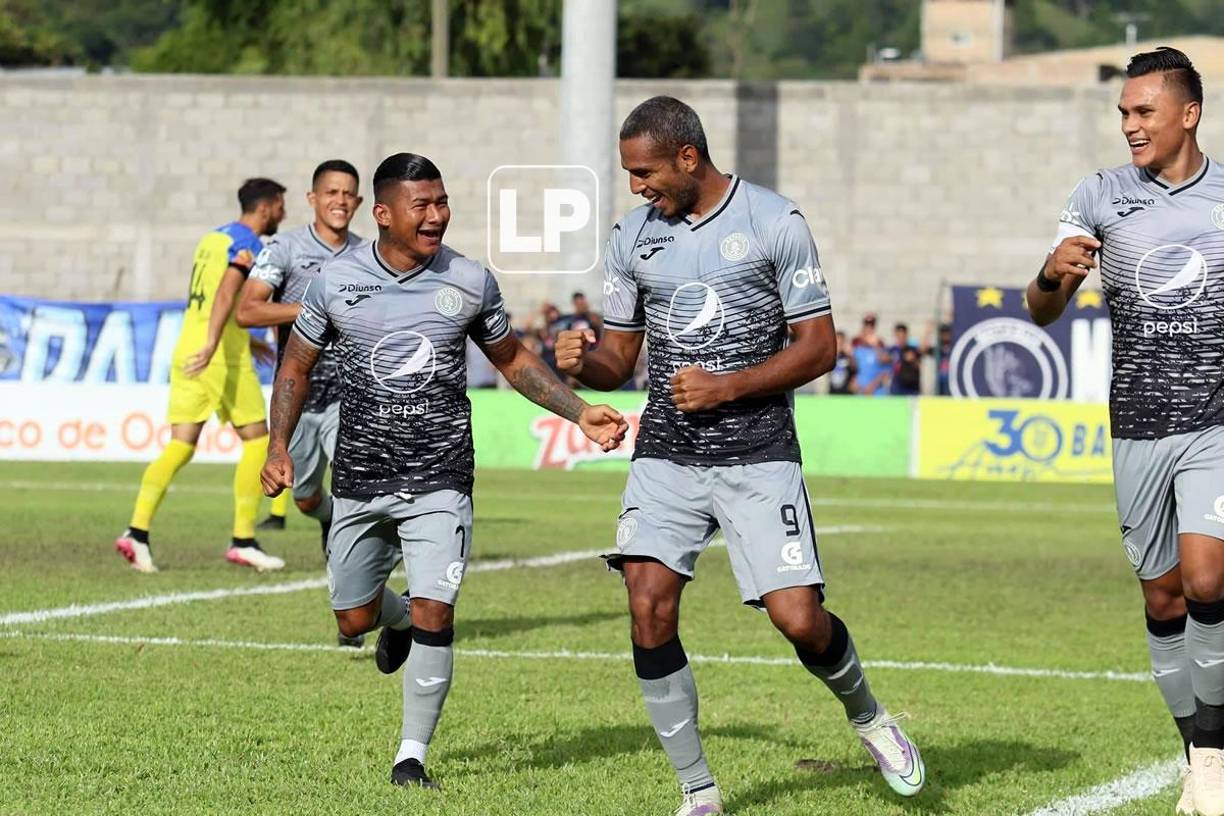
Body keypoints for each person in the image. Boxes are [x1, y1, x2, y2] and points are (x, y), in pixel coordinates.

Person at [555, 96, 924, 815]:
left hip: (758, 451)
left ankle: (870, 717)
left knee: (798, 619)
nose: (637, 187)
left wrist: (726, 386)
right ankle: (699, 792)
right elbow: (620, 359)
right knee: (647, 606)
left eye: (646, 172)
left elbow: (821, 348)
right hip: (666, 451)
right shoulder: (632, 237)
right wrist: (581, 363)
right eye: (630, 174)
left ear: (688, 157)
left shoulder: (773, 222)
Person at [260, 152, 628, 788]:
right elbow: (295, 365)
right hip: (362, 474)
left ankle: (411, 756)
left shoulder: (470, 280)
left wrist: (578, 413)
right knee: (353, 619)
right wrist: (278, 444)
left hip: (441, 473)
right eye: (421, 206)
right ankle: (392, 619)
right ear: (383, 214)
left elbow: (512, 360)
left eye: (442, 202)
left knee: (439, 608)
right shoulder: (335, 281)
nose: (436, 216)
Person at [1026, 48, 1224, 816]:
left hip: (1215, 419)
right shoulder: (1100, 195)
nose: (1130, 125)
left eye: (1144, 112)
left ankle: (1210, 756)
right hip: (1136, 424)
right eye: (1123, 113)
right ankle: (1198, 757)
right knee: (1165, 598)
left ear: (1188, 113)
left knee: (1209, 578)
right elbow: (1041, 309)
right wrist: (1053, 275)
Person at [114, 178, 288, 574]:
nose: (283, 214)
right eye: (281, 206)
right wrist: (216, 344)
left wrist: (242, 342)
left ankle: (136, 532)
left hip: (189, 346)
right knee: (259, 441)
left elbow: (209, 296)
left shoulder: (212, 238)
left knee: (181, 445)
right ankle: (244, 539)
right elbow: (227, 291)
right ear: (266, 208)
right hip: (217, 357)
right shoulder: (251, 246)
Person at [234, 159, 366, 647]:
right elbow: (248, 309)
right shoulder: (285, 248)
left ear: (359, 202)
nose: (340, 200)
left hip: (352, 396)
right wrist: (312, 308)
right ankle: (323, 514)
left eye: (349, 193)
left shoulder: (368, 255)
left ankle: (352, 612)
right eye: (331, 191)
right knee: (309, 497)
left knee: (355, 496)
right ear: (313, 199)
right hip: (300, 396)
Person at [851, 314, 890, 396]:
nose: (869, 328)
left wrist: (876, 346)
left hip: (876, 392)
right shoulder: (858, 346)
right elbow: (854, 367)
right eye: (867, 325)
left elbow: (886, 368)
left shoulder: (880, 345)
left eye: (871, 326)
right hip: (861, 391)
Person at [888, 323, 921, 396]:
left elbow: (919, 366)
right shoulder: (892, 350)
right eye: (898, 336)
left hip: (912, 390)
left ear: (906, 336)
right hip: (896, 390)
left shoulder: (913, 350)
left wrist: (913, 361)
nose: (901, 339)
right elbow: (883, 360)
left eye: (903, 336)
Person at [827, 330, 856, 394]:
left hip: (846, 392)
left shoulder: (847, 356)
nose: (839, 345)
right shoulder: (831, 356)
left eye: (841, 343)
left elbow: (854, 367)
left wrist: (849, 355)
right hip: (833, 391)